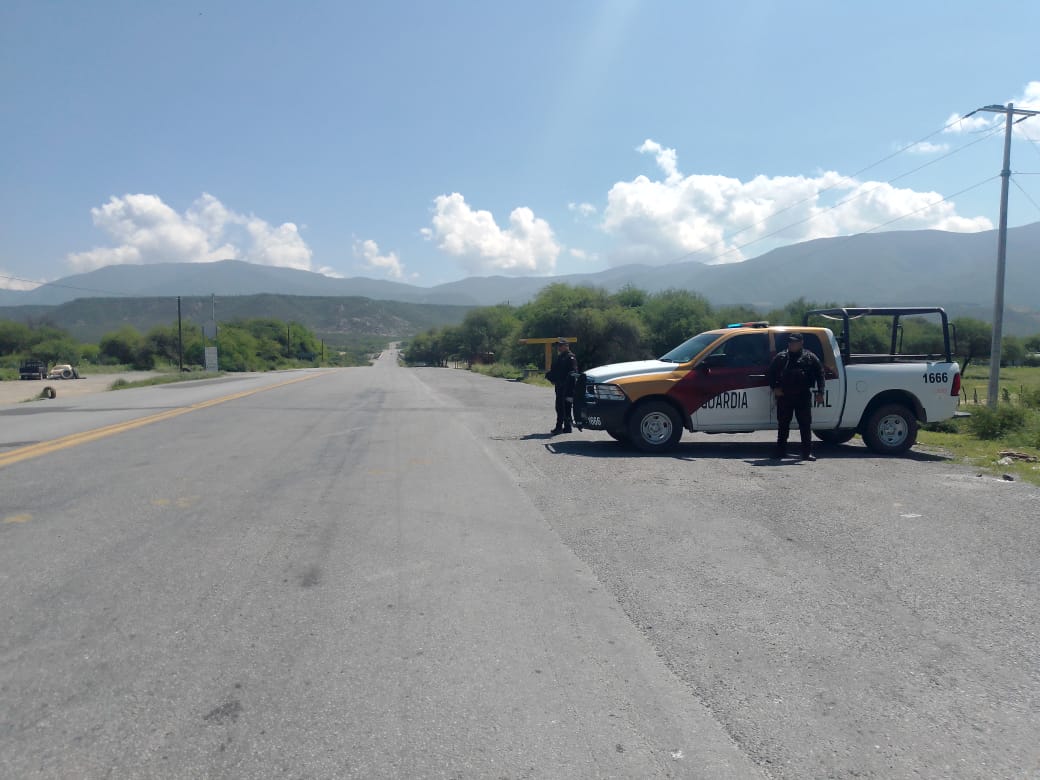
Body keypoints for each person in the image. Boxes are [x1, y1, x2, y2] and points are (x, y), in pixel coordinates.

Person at [767, 332, 826, 460]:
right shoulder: (782, 357)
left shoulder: (810, 357)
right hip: (785, 396)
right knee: (783, 425)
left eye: (795, 342)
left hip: (803, 396)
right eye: (790, 342)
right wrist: (775, 388)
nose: (792, 344)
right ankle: (780, 451)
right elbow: (770, 373)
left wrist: (820, 392)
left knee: (805, 425)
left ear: (801, 343)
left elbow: (820, 374)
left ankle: (806, 453)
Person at [545, 337, 578, 434]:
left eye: (560, 345)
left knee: (563, 407)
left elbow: (573, 373)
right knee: (561, 407)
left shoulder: (570, 357)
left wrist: (567, 385)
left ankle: (560, 427)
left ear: (566, 346)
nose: (558, 347)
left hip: (567, 387)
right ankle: (567, 427)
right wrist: (551, 377)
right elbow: (556, 371)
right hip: (559, 386)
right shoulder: (561, 357)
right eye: (558, 345)